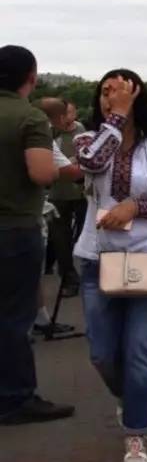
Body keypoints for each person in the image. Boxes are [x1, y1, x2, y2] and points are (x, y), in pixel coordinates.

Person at [74, 69, 147, 462]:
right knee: (102, 353)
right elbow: (91, 162)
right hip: (96, 258)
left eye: (120, 91)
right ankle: (129, 397)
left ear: (138, 95)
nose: (111, 96)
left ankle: (136, 433)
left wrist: (137, 207)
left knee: (140, 349)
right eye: (105, 91)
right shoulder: (88, 139)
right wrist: (116, 118)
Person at [0, 45, 75, 426]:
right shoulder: (29, 118)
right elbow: (42, 173)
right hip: (14, 227)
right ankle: (15, 398)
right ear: (31, 76)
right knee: (15, 317)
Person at [38, 97, 83, 297]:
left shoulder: (81, 132)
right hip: (58, 194)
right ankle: (69, 279)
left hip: (80, 194)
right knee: (61, 241)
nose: (68, 118)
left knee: (82, 236)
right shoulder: (47, 133)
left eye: (71, 113)